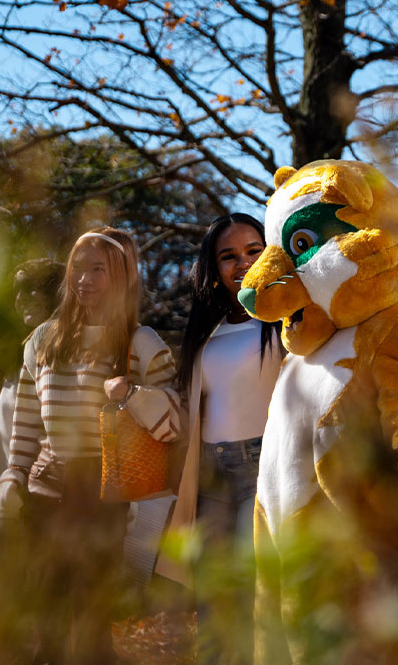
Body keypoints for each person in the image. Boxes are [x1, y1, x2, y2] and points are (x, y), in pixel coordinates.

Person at [0, 227, 180, 664]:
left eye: (99, 269)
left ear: (122, 277)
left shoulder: (142, 344)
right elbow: (25, 425)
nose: (85, 279)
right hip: (45, 487)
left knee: (90, 616)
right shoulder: (43, 339)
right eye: (79, 267)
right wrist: (12, 476)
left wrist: (131, 394)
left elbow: (173, 427)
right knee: (44, 609)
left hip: (103, 491)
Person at [155, 214, 282, 665]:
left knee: (255, 591)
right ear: (213, 268)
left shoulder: (289, 320)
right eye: (228, 256)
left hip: (262, 468)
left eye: (253, 250)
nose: (242, 263)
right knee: (210, 602)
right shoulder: (205, 330)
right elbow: (188, 407)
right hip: (209, 475)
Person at [0, 259, 65, 481]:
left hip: (46, 494)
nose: (20, 298)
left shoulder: (71, 358)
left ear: (58, 291)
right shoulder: (15, 359)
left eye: (31, 288)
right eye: (17, 291)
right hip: (8, 494)